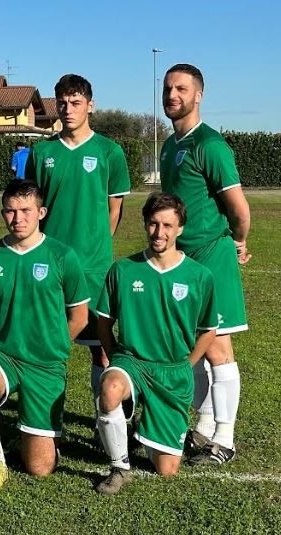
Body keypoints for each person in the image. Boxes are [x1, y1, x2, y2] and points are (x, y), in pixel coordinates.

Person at [0, 180, 89, 492]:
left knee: (40, 468)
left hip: (45, 363)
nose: (17, 218)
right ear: (3, 214)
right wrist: (1, 340)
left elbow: (79, 316)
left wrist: (54, 345)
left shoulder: (63, 256)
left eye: (25, 211)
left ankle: (38, 437)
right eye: (10, 211)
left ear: (41, 213)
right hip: (2, 354)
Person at [93, 192, 218, 494]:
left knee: (167, 470)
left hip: (172, 372)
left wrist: (187, 365)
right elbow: (104, 322)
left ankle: (142, 428)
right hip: (132, 363)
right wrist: (116, 361)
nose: (159, 233)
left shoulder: (199, 276)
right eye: (152, 224)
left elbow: (209, 330)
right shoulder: (123, 270)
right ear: (145, 224)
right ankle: (119, 468)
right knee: (110, 387)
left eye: (167, 225)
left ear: (180, 229)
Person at [160, 63, 251, 465]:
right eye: (167, 88)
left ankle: (225, 441)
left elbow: (239, 208)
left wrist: (239, 240)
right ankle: (204, 424)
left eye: (181, 88)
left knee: (217, 348)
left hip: (211, 257)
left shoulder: (209, 145)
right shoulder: (169, 146)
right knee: (188, 344)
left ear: (198, 95)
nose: (172, 95)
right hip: (182, 261)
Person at [24, 74, 131, 402]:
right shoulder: (41, 153)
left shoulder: (109, 151)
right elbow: (31, 209)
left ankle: (107, 418)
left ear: (90, 105)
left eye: (76, 103)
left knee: (100, 349)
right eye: (63, 103)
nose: (68, 109)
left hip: (93, 268)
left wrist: (96, 246)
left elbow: (114, 210)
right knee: (43, 345)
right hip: (48, 265)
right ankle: (44, 420)